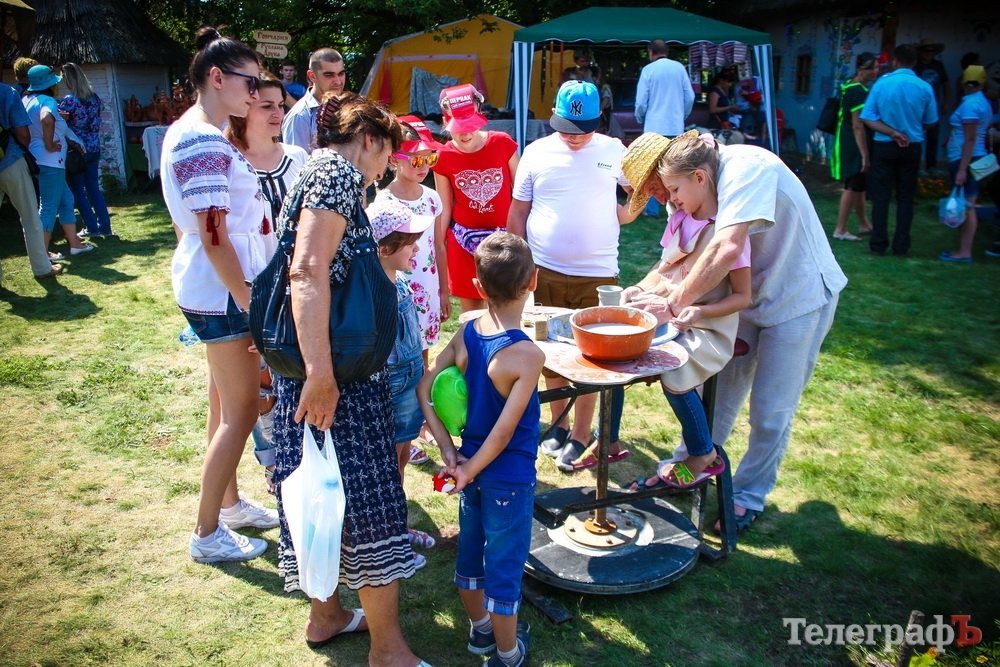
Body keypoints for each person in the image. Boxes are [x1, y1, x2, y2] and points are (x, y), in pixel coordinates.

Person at [269, 92, 428, 665]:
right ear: (369, 140)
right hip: (337, 379)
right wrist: (321, 375)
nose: (386, 167)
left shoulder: (313, 171)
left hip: (320, 371)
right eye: (387, 154)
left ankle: (327, 615)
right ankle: (388, 650)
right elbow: (308, 271)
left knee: (319, 495)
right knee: (367, 505)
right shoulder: (336, 175)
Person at [622, 130, 847, 534]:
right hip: (743, 301)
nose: (658, 198)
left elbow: (726, 248)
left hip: (796, 297)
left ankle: (748, 495)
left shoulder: (747, 167)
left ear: (684, 172)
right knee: (718, 395)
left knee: (771, 411)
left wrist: (672, 306)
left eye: (655, 187)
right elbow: (678, 260)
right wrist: (644, 290)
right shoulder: (687, 192)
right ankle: (690, 467)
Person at [161, 28, 279, 565]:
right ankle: (206, 531)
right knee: (241, 411)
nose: (256, 93)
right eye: (250, 82)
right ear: (216, 77)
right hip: (225, 292)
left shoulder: (196, 131)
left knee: (224, 404)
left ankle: (228, 507)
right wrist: (250, 300)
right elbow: (214, 232)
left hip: (216, 287)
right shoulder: (203, 138)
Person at [418, 231, 541, 667]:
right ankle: (508, 654)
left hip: (469, 468)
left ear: (477, 286)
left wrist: (449, 452)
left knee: (471, 556)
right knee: (504, 568)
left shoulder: (466, 331)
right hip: (509, 479)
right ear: (533, 281)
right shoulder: (527, 355)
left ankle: (480, 631)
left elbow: (424, 389)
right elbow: (504, 434)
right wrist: (466, 469)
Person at [507, 80, 638, 472]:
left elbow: (637, 193)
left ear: (599, 120)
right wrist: (518, 265)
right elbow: (518, 212)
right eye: (567, 128)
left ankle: (582, 433)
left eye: (583, 129)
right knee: (552, 353)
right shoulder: (536, 152)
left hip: (598, 274)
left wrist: (624, 213)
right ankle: (558, 424)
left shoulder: (615, 151)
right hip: (544, 269)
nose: (575, 137)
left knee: (592, 358)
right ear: (554, 117)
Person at [620, 132, 752, 491]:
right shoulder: (681, 217)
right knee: (615, 351)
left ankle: (703, 454)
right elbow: (666, 270)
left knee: (675, 374)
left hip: (709, 327)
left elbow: (743, 296)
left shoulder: (728, 233)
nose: (669, 199)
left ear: (699, 178)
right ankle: (608, 441)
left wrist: (698, 313)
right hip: (677, 319)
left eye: (672, 190)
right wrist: (639, 290)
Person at [224, 71, 309, 497]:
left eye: (280, 105)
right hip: (248, 289)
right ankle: (273, 465)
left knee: (293, 374)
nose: (277, 113)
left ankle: (301, 459)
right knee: (259, 384)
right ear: (244, 108)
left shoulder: (298, 157)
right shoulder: (227, 160)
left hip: (297, 286)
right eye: (266, 106)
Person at [367, 198, 437, 568]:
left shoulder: (403, 282)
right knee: (383, 466)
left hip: (408, 387)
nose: (417, 250)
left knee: (401, 457)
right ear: (384, 249)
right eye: (410, 244)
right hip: (386, 391)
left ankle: (395, 525)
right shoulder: (371, 293)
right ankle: (386, 538)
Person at [433, 84, 519, 313]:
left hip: (503, 242)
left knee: (504, 309)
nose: (465, 134)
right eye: (457, 127)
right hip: (463, 243)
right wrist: (437, 244)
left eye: (470, 125)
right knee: (472, 316)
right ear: (445, 122)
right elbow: (444, 207)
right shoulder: (443, 155)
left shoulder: (502, 143)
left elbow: (522, 194)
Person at [373, 115, 449, 356]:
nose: (424, 166)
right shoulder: (385, 202)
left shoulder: (432, 198)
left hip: (428, 287)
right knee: (398, 351)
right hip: (397, 290)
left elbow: (438, 246)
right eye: (416, 160)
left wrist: (444, 291)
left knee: (424, 352)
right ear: (394, 158)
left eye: (430, 158)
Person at [860, 44, 937, 257]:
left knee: (881, 196)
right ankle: (901, 246)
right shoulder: (924, 87)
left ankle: (878, 244)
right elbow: (931, 121)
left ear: (895, 61)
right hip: (912, 145)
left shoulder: (882, 84)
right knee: (906, 197)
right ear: (914, 62)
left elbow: (868, 117)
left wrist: (892, 132)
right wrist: (910, 127)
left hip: (884, 145)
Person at [21, 64, 94, 260]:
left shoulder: (27, 100)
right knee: (48, 207)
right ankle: (42, 254)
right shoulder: (48, 101)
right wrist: (49, 143)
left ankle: (75, 244)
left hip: (38, 160)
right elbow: (46, 119)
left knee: (66, 200)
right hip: (51, 161)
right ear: (49, 85)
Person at [0, 81, 61, 282]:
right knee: (30, 218)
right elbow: (23, 133)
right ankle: (42, 268)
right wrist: (22, 151)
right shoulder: (6, 92)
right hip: (11, 161)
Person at [939, 65, 993, 263]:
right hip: (975, 158)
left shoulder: (971, 105)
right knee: (967, 204)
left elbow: (970, 139)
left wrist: (962, 169)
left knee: (967, 206)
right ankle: (963, 249)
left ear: (963, 82)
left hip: (967, 160)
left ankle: (964, 252)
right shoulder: (982, 102)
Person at [58, 63, 113, 239]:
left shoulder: (69, 101)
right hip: (94, 147)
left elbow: (60, 124)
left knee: (78, 190)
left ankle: (91, 227)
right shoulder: (94, 98)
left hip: (78, 150)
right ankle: (105, 226)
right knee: (94, 189)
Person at [830, 53, 877, 241]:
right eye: (871, 68)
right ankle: (840, 229)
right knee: (851, 185)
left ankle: (863, 223)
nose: (874, 71)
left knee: (859, 185)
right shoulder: (858, 91)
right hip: (853, 143)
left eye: (876, 68)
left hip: (847, 140)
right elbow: (858, 125)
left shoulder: (849, 86)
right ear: (860, 69)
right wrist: (865, 155)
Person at [281, 48, 346, 153]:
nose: (338, 82)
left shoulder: (347, 109)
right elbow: (297, 162)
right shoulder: (299, 116)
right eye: (329, 75)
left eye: (341, 73)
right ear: (312, 76)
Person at [634, 39, 695, 138]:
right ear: (667, 52)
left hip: (653, 129)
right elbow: (690, 97)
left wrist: (640, 119)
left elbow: (641, 102)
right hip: (676, 127)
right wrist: (682, 115)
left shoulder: (648, 70)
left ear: (650, 52)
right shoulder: (680, 68)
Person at [914, 38, 948, 171]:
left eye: (931, 50)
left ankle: (931, 166)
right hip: (917, 106)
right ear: (920, 51)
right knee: (915, 135)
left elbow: (945, 84)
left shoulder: (938, 65)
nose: (929, 52)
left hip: (934, 105)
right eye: (926, 50)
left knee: (933, 136)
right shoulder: (915, 65)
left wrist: (946, 102)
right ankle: (915, 165)